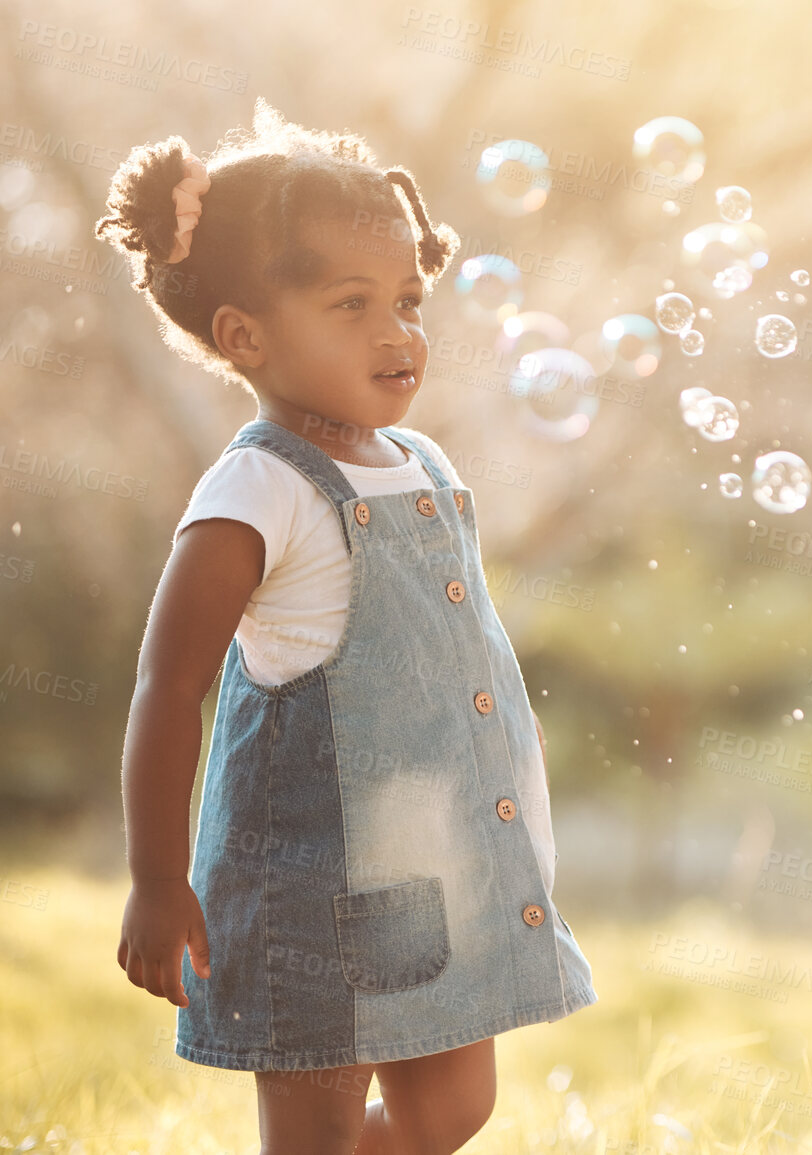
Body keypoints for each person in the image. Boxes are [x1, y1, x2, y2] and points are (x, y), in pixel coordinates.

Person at [100, 99, 595, 1155]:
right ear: (245, 334)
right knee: (314, 1131)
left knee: (456, 1108)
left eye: (410, 299)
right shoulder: (257, 491)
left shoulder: (424, 466)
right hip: (314, 897)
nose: (400, 332)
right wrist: (154, 876)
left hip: (442, 871)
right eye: (352, 303)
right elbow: (169, 687)